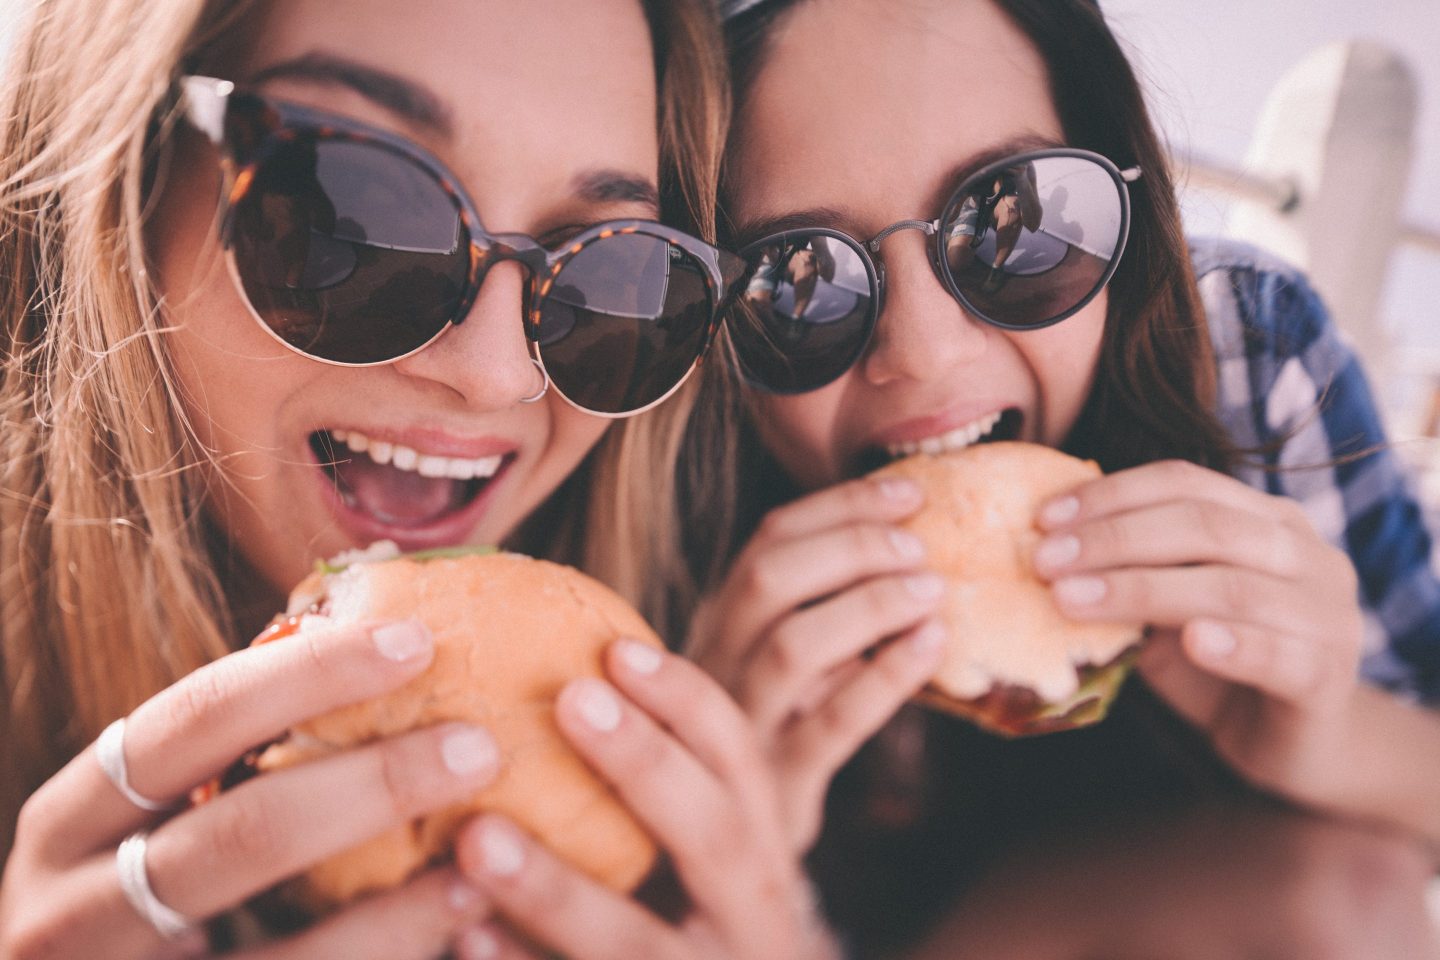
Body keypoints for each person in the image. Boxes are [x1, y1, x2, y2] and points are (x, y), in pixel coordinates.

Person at [0, 2, 836, 958]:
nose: (497, 375)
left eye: (614, 277)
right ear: (117, 179)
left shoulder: (754, 806)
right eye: (359, 213)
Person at [673, 0, 1440, 954]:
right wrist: (730, 858)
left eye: (1016, 223)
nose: (922, 354)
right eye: (796, 278)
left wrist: (1325, 737)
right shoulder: (657, 486)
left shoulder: (1245, 360)